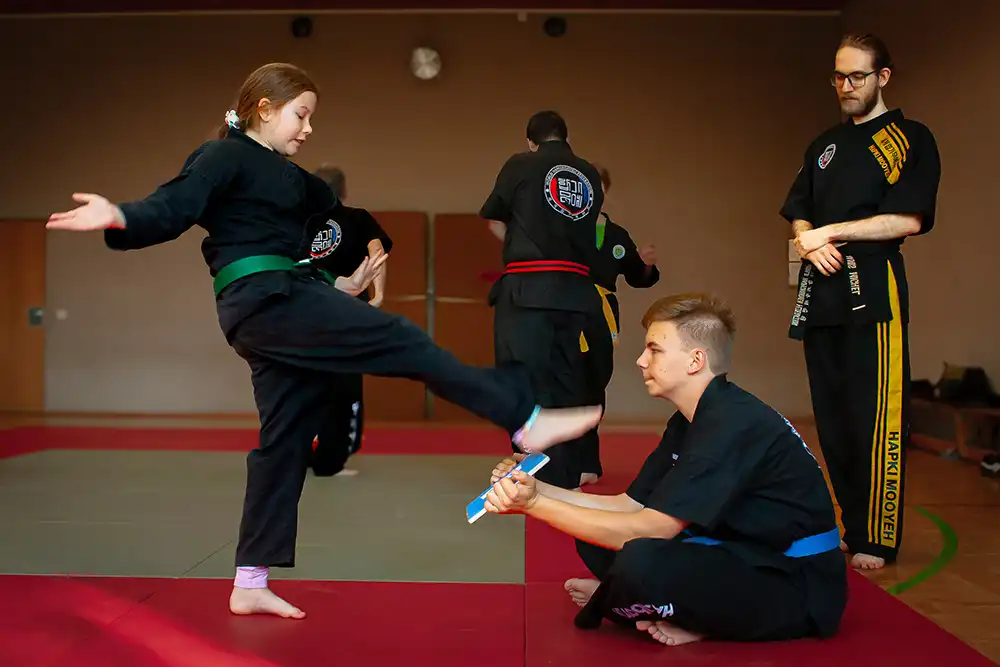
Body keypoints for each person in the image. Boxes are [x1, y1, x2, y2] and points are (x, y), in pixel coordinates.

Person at [45, 62, 602, 620]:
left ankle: (250, 579)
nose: (308, 127)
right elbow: (174, 204)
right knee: (398, 338)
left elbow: (332, 217)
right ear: (263, 108)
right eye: (301, 114)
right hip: (266, 299)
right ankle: (525, 419)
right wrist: (118, 214)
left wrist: (344, 279)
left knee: (285, 439)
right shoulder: (222, 156)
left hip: (281, 296)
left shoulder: (290, 177)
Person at [484, 293, 848, 647]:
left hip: (797, 584)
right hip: (742, 554)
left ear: (695, 361)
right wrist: (536, 486)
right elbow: (629, 505)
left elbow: (651, 529)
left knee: (639, 558)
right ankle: (649, 600)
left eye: (654, 350)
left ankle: (668, 608)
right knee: (592, 533)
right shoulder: (690, 420)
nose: (641, 361)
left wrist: (532, 505)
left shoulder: (731, 423)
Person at [780, 34, 941, 570]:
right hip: (820, 288)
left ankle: (879, 536)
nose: (845, 88)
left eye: (857, 77)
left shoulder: (909, 138)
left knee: (876, 412)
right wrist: (808, 237)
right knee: (833, 416)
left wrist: (826, 232)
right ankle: (852, 526)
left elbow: (907, 219)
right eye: (839, 77)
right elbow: (798, 209)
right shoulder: (823, 144)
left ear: (883, 77)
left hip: (873, 285)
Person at [480, 110, 608, 490]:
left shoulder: (522, 164)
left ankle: (533, 473)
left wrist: (523, 250)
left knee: (522, 379)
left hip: (529, 289)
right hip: (576, 292)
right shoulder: (589, 175)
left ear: (531, 141)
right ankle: (564, 473)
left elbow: (494, 219)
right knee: (568, 379)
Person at [307, 165, 391, 477]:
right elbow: (377, 252)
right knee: (343, 387)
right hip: (345, 313)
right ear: (343, 191)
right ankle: (330, 461)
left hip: (304, 310)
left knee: (302, 383)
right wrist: (377, 294)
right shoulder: (357, 218)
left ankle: (294, 455)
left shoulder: (301, 220)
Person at [579, 163, 659, 485]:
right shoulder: (560, 229)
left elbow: (638, 277)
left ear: (605, 194)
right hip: (564, 312)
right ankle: (553, 458)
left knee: (594, 384)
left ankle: (587, 461)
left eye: (598, 188)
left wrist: (645, 266)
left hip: (600, 316)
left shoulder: (615, 235)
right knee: (560, 383)